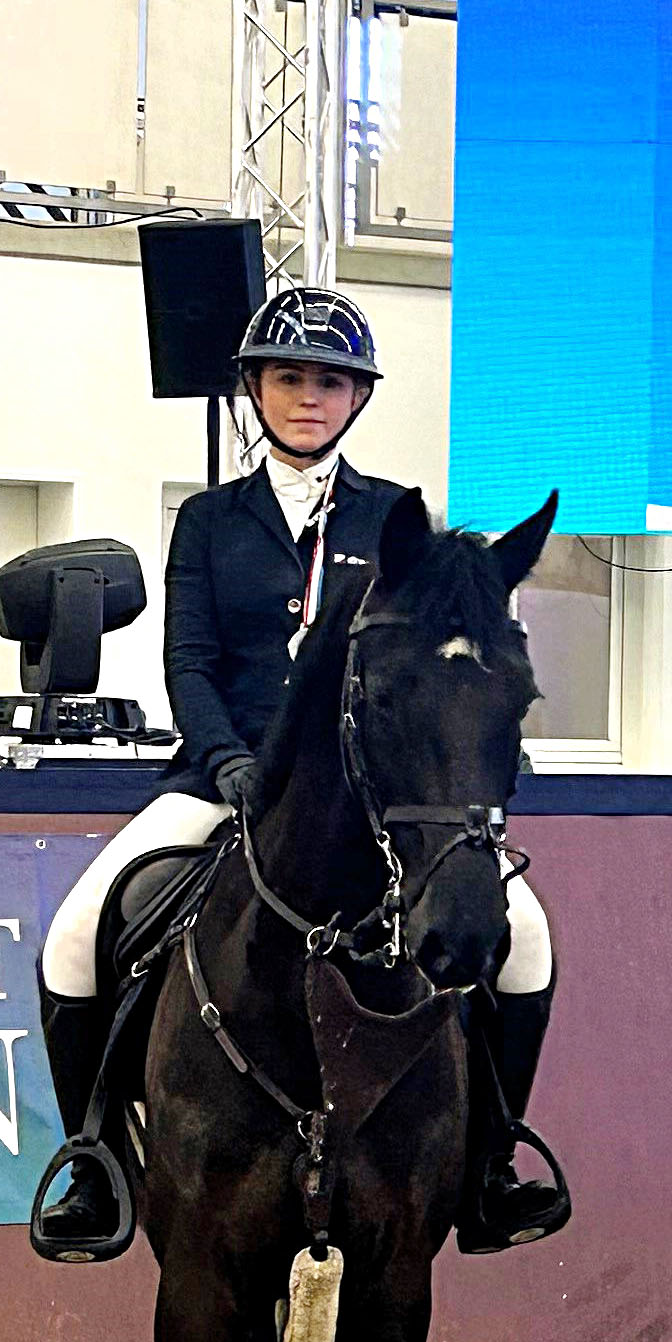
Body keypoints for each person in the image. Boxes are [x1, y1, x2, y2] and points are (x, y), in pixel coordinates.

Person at [31, 286, 565, 1262]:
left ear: (357, 398)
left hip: (363, 795)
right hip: (221, 777)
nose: (309, 397)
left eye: (330, 381)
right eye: (289, 378)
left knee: (523, 938)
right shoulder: (209, 521)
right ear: (254, 390)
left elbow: (439, 661)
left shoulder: (398, 523)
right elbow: (188, 660)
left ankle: (492, 1162)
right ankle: (93, 1156)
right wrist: (231, 758)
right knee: (74, 934)